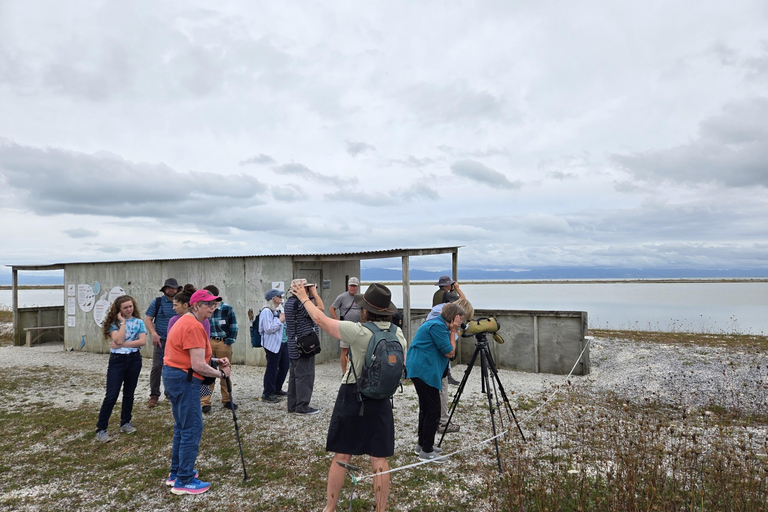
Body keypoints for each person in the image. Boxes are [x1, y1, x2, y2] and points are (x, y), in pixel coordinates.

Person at [290, 281, 406, 512]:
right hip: (381, 398)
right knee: (379, 458)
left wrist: (305, 297)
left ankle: (330, 508)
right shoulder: (399, 333)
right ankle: (380, 509)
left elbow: (321, 320)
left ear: (366, 310)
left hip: (353, 394)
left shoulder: (358, 331)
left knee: (342, 454)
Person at [163, 289, 231, 495]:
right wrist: (222, 374)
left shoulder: (186, 321)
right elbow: (197, 365)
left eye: (214, 304)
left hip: (174, 376)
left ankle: (176, 473)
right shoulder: (193, 326)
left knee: (182, 427)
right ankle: (183, 480)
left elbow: (192, 356)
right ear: (195, 306)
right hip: (185, 380)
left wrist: (215, 361)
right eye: (208, 304)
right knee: (191, 428)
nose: (212, 308)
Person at [406, 302, 466, 462]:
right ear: (455, 318)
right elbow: (450, 352)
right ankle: (426, 451)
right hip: (424, 371)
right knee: (433, 410)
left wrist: (452, 330)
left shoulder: (436, 324)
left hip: (422, 369)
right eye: (460, 319)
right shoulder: (438, 327)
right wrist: (454, 331)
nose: (461, 323)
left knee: (426, 409)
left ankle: (423, 444)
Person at [95, 295, 146, 443]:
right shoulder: (113, 323)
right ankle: (101, 429)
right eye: (125, 307)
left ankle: (125, 422)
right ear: (119, 310)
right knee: (111, 395)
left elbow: (142, 341)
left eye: (131, 306)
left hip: (134, 359)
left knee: (129, 393)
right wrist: (123, 324)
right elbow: (117, 339)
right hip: (117, 361)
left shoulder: (139, 322)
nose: (129, 309)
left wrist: (123, 344)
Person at [426, 298, 474, 435]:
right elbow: (448, 350)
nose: (462, 324)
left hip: (433, 363)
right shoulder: (440, 323)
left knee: (435, 395)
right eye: (463, 320)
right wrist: (454, 333)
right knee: (441, 391)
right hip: (436, 363)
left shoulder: (438, 312)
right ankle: (442, 422)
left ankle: (437, 421)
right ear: (458, 315)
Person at [285, 278, 324, 415]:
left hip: (293, 345)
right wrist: (315, 293)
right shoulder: (301, 304)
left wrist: (310, 295)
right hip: (304, 346)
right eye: (307, 288)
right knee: (305, 376)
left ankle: (293, 405)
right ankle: (302, 407)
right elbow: (320, 309)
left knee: (294, 376)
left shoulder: (290, 302)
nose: (309, 290)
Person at [200, 284, 238, 413]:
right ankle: (204, 402)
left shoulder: (227, 308)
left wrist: (229, 341)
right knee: (207, 371)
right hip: (209, 342)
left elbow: (233, 325)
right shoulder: (203, 309)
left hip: (223, 342)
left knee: (225, 371)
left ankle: (227, 400)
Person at [146, 278, 183, 408]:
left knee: (175, 367)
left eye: (173, 287)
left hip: (178, 342)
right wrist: (153, 333)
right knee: (157, 367)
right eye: (168, 287)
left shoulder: (183, 303)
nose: (171, 290)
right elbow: (148, 319)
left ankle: (171, 393)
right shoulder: (157, 302)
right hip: (161, 340)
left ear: (178, 289)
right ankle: (154, 395)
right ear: (164, 289)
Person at [260, 289, 288, 403]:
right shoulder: (266, 311)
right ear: (273, 298)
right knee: (272, 368)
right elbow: (268, 328)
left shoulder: (276, 310)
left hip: (282, 342)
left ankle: (277, 388)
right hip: (272, 345)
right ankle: (267, 393)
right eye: (279, 296)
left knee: (285, 366)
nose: (281, 297)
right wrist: (280, 321)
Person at [329, 277, 361, 375]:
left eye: (354, 286)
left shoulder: (360, 297)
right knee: (344, 350)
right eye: (351, 285)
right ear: (348, 286)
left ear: (357, 287)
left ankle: (356, 372)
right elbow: (332, 309)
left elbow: (364, 310)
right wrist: (337, 322)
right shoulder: (342, 297)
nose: (352, 288)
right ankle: (344, 372)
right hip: (345, 328)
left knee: (358, 350)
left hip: (358, 327)